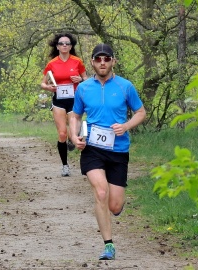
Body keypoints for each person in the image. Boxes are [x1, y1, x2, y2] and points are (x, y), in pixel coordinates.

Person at [69, 43, 146, 260]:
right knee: (100, 192)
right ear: (92, 62)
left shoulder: (125, 86)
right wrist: (75, 137)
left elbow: (140, 112)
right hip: (92, 148)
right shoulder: (83, 88)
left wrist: (126, 126)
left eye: (107, 59)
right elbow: (75, 115)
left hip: (118, 149)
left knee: (114, 205)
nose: (102, 63)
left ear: (113, 61)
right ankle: (108, 245)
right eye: (98, 59)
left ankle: (115, 206)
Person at [40, 33, 88, 177]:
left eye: (67, 43)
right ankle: (65, 166)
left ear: (71, 46)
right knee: (62, 134)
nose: (64, 45)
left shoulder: (77, 61)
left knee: (74, 133)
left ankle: (74, 139)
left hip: (75, 99)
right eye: (61, 43)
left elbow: (87, 79)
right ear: (57, 46)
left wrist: (79, 79)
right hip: (59, 100)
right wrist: (48, 87)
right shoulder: (52, 63)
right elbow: (43, 83)